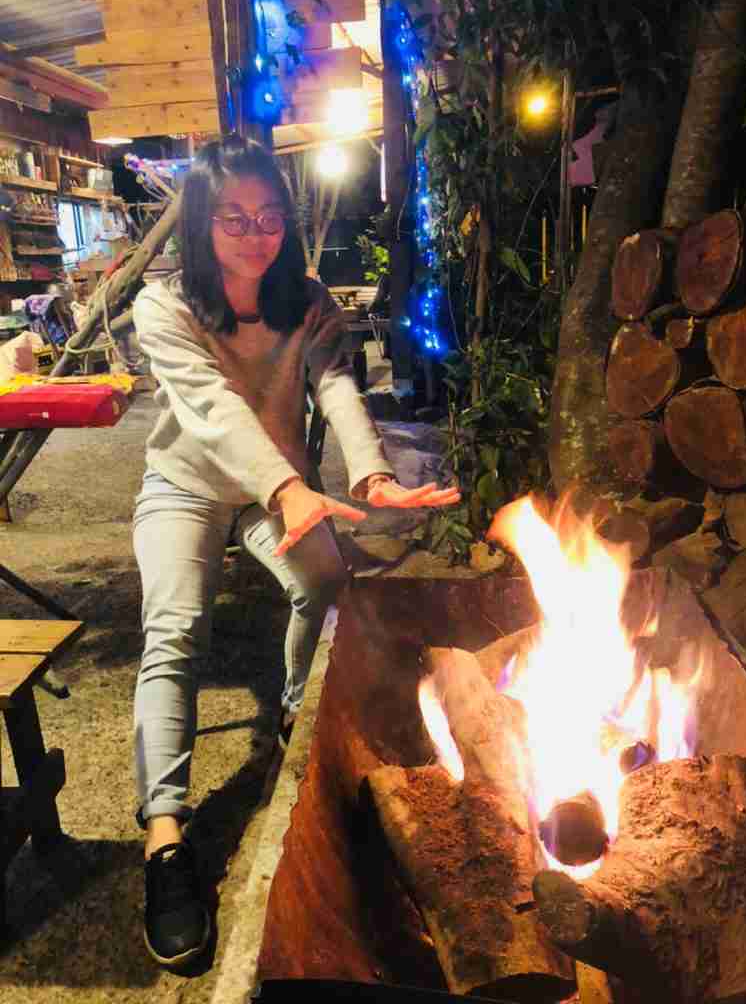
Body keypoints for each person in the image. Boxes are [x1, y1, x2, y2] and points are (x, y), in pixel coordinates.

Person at [131, 135, 459, 969]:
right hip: (187, 485)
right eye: (234, 217)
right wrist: (286, 488)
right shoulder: (161, 307)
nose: (255, 232)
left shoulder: (307, 300)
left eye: (269, 215)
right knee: (174, 630)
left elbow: (335, 384)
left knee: (326, 582)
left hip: (282, 490)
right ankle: (165, 840)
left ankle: (291, 707)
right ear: (202, 222)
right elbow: (210, 410)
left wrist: (374, 472)